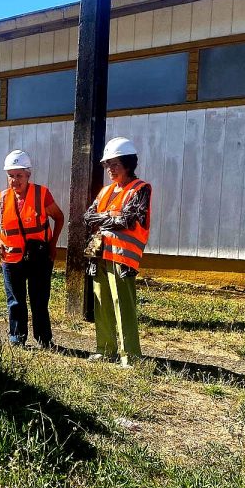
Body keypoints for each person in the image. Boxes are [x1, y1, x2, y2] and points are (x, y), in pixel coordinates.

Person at [84, 137, 152, 368]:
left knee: (122, 305)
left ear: (128, 164)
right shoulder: (105, 191)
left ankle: (130, 356)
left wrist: (104, 218)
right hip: (100, 254)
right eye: (108, 165)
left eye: (115, 164)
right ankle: (104, 350)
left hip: (123, 257)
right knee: (101, 302)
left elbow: (129, 219)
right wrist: (112, 217)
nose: (110, 169)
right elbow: (88, 217)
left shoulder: (140, 189)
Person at [0, 150, 65, 347]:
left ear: (28, 175)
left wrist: (53, 244)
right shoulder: (1, 198)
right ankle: (17, 339)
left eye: (19, 175)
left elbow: (59, 217)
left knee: (39, 301)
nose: (15, 180)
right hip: (11, 258)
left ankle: (44, 340)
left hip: (39, 257)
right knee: (15, 301)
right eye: (11, 176)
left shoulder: (41, 194)